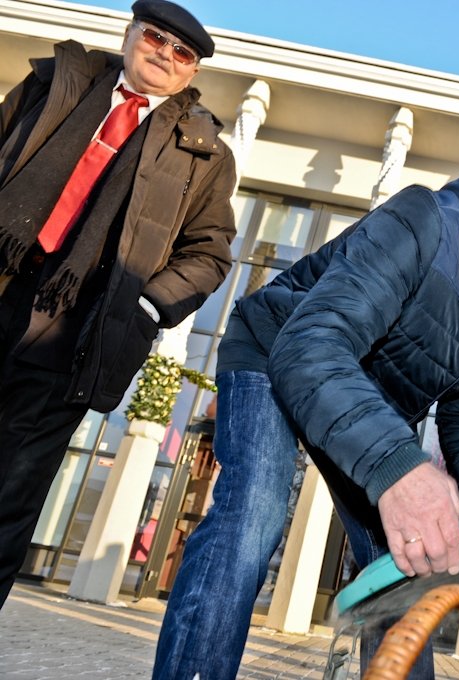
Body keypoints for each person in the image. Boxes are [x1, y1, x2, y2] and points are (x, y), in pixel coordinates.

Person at [152, 155, 459, 679]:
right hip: (281, 356)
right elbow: (314, 347)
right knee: (253, 513)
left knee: (411, 566)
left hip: (373, 407)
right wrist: (399, 468)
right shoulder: (425, 222)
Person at [0, 0, 235, 609]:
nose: (164, 53)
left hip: (73, 329)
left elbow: (208, 255)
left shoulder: (202, 151)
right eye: (155, 37)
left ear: (191, 73)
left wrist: (146, 308)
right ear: (130, 34)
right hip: (5, 278)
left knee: (9, 498)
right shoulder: (57, 85)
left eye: (181, 52)